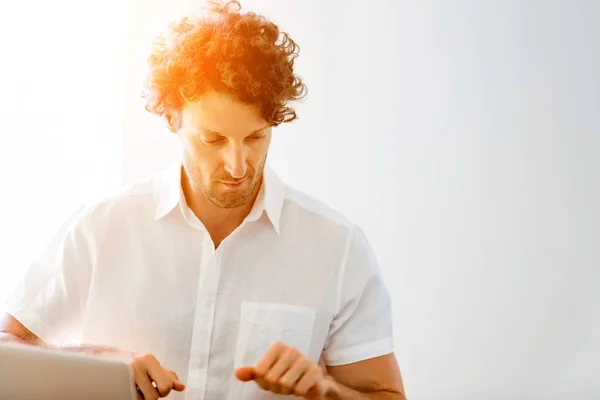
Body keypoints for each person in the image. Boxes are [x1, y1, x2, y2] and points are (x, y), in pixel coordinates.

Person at [0, 1, 406, 399]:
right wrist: (100, 361)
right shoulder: (101, 227)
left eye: (255, 138)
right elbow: (6, 349)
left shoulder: (338, 248)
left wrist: (328, 391)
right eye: (212, 140)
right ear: (172, 118)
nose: (236, 166)